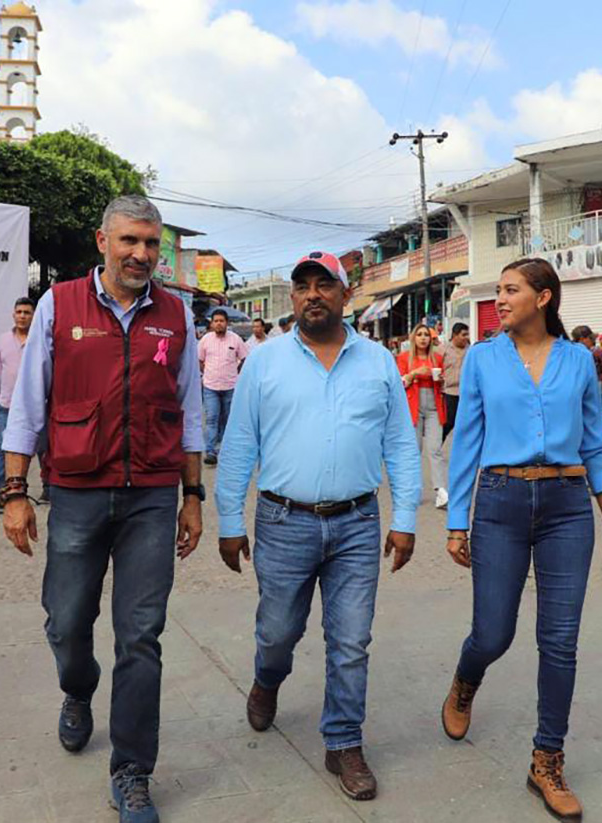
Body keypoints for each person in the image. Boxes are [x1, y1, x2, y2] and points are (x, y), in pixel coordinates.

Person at [0, 195, 204, 823]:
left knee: (141, 637)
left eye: (151, 244)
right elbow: (28, 403)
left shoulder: (177, 314)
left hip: (150, 495)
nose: (142, 254)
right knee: (65, 621)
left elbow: (190, 409)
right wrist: (15, 492)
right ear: (102, 242)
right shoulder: (60, 306)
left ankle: (133, 771)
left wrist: (192, 497)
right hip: (78, 491)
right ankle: (77, 688)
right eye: (130, 242)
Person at [215, 250, 421, 803]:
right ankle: (267, 678)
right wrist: (230, 519)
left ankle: (344, 742)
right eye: (302, 285)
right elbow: (239, 445)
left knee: (351, 640)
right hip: (284, 521)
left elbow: (400, 443)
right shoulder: (264, 361)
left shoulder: (378, 362)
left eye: (323, 284)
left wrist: (405, 516)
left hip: (356, 522)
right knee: (278, 631)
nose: (312, 294)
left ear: (344, 294)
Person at [442, 258, 602, 821]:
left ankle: (546, 759)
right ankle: (466, 678)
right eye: (498, 291)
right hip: (499, 502)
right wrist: (458, 519)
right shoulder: (481, 358)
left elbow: (594, 443)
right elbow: (467, 442)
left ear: (544, 297)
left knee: (560, 640)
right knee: (493, 633)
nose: (499, 300)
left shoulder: (579, 361)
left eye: (510, 290)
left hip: (567, 509)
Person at [0, 297, 40, 515]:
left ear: (34, 316)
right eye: (19, 312)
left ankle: (51, 489)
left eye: (27, 312)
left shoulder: (40, 339)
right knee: (2, 449)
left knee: (44, 448)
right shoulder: (3, 340)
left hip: (36, 405)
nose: (23, 316)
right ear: (13, 315)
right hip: (6, 404)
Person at [396, 323, 448, 509]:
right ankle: (411, 491)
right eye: (419, 334)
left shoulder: (438, 358)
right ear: (413, 338)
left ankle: (441, 491)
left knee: (435, 450)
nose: (423, 338)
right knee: (413, 451)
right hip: (413, 406)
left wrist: (441, 380)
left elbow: (443, 384)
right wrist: (415, 373)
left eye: (426, 334)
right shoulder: (403, 359)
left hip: (434, 406)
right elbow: (400, 384)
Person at [198, 308, 249, 465]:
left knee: (228, 420)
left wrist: (235, 372)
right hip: (210, 387)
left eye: (221, 321)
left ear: (227, 323)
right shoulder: (205, 340)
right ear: (212, 323)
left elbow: (244, 358)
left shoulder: (235, 339)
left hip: (230, 387)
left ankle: (227, 451)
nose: (218, 324)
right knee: (212, 419)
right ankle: (211, 452)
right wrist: (207, 373)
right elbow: (200, 361)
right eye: (216, 321)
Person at [441, 322, 470, 442]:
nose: (466, 337)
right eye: (464, 334)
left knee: (466, 425)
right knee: (449, 422)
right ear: (455, 335)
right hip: (449, 392)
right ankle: (438, 444)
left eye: (467, 334)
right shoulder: (443, 350)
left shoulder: (471, 350)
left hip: (466, 393)